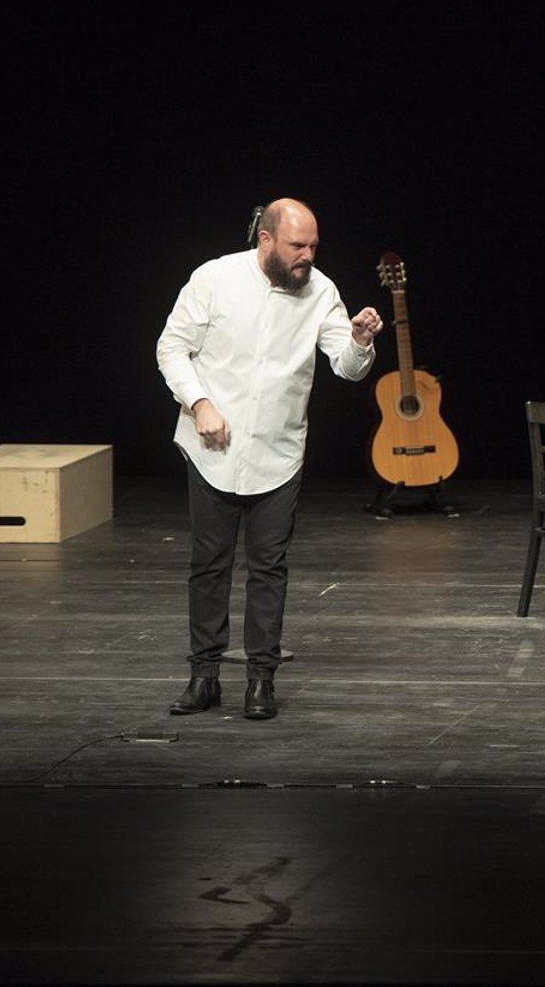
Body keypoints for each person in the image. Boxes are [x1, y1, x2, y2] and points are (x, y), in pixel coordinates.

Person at [154, 198, 383, 720]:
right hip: (212, 447)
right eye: (296, 246)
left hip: (278, 452)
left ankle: (261, 681)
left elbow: (346, 368)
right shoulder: (214, 278)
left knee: (269, 568)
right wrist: (200, 403)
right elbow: (171, 347)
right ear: (265, 239)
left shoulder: (321, 291)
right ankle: (203, 676)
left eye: (313, 247)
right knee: (208, 565)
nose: (307, 256)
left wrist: (360, 341)